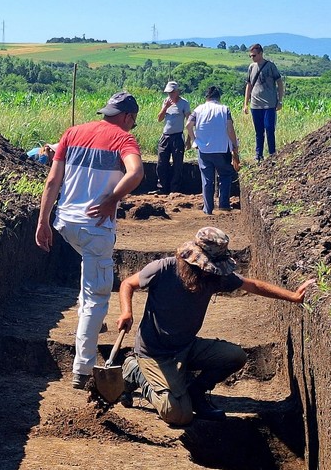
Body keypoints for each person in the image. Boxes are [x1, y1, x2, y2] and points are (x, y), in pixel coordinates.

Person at [116, 227, 314, 426]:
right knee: (177, 415)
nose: (207, 271)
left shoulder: (213, 277)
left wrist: (293, 297)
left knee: (235, 356)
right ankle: (136, 371)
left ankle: (196, 391)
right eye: (204, 267)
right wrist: (127, 312)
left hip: (187, 346)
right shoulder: (163, 268)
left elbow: (252, 285)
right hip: (154, 353)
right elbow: (128, 284)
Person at [35, 91, 144, 389]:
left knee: (90, 279)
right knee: (97, 296)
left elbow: (52, 181)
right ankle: (82, 369)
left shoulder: (72, 133)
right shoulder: (124, 139)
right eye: (133, 121)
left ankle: (91, 324)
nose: (132, 126)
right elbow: (136, 173)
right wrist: (111, 200)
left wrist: (42, 221)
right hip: (95, 227)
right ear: (127, 117)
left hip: (65, 223)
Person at [185, 86, 240, 215]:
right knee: (225, 175)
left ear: (207, 97)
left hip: (204, 149)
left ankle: (208, 209)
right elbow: (230, 129)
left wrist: (194, 139)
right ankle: (224, 204)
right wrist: (234, 145)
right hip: (222, 149)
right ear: (218, 97)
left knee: (207, 180)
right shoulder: (224, 109)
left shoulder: (198, 109)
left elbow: (188, 125)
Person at [242, 43, 284, 162]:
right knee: (259, 131)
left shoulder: (270, 66)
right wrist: (245, 104)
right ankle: (258, 155)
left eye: (254, 55)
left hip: (269, 104)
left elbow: (279, 83)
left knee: (270, 129)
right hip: (255, 105)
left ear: (261, 53)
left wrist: (280, 100)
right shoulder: (251, 67)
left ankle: (272, 154)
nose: (252, 57)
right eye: (251, 56)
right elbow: (249, 85)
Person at [155, 81, 191, 194]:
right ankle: (162, 188)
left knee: (177, 164)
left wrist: (189, 139)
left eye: (171, 92)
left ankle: (175, 189)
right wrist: (165, 108)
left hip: (177, 137)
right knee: (161, 163)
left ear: (177, 92)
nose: (170, 95)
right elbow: (159, 119)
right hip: (165, 136)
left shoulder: (184, 103)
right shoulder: (165, 102)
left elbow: (189, 121)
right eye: (168, 93)